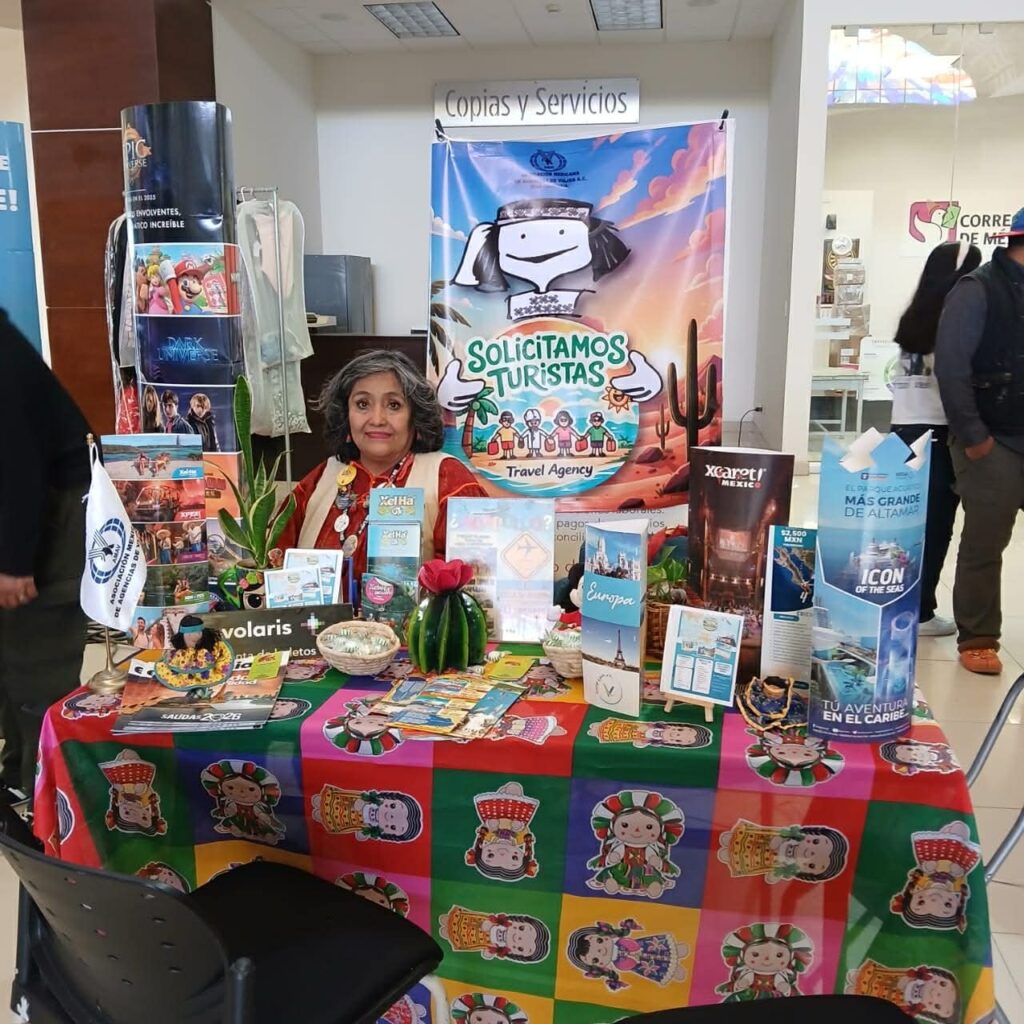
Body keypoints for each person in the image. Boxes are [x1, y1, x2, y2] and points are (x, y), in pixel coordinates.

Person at [276, 350, 486, 577]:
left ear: (416, 417)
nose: (377, 419)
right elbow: (274, 563)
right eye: (362, 404)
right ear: (345, 415)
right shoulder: (321, 478)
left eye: (394, 405)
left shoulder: (447, 478)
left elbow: (473, 580)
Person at [0, 311, 90, 793]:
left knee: (37, 667)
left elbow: (18, 463)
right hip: (26, 514)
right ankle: (19, 779)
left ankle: (50, 797)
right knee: (10, 664)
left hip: (49, 521)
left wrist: (13, 563)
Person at [935, 208, 1024, 675]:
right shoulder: (978, 288)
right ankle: (979, 636)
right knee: (986, 541)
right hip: (994, 440)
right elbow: (951, 366)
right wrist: (974, 438)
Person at [891, 240, 981, 638]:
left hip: (903, 432)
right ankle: (921, 613)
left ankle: (903, 604)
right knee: (935, 527)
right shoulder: (955, 317)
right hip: (938, 435)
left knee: (906, 527)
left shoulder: (914, 316)